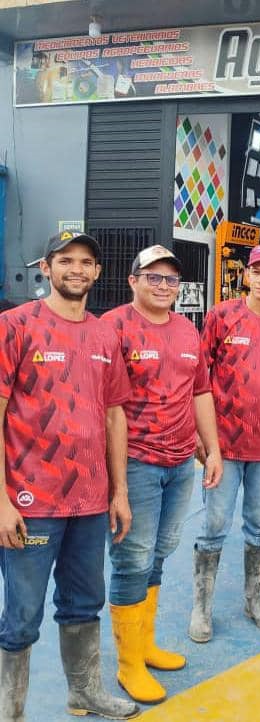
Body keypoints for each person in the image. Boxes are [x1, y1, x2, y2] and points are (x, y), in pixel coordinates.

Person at [0, 231, 138, 721]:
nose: (76, 269)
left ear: (98, 272)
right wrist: (1, 500)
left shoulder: (104, 334)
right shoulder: (15, 326)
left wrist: (119, 492)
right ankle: (9, 711)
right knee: (21, 617)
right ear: (46, 266)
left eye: (85, 262)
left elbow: (115, 414)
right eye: (65, 261)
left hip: (90, 501)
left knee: (84, 602)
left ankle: (84, 692)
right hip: (31, 502)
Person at [102, 245, 223, 703]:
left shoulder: (187, 331)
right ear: (132, 280)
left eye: (170, 280)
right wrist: (113, 481)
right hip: (133, 462)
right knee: (131, 558)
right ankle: (128, 663)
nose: (163, 286)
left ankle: (145, 643)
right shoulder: (111, 328)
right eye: (153, 277)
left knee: (158, 553)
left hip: (179, 462)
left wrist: (211, 449)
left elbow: (201, 393)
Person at [189, 243, 260, 643]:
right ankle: (201, 607)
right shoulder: (222, 316)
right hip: (224, 446)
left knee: (259, 525)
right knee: (215, 524)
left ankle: (255, 600)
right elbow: (200, 379)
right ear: (246, 275)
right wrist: (202, 437)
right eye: (256, 271)